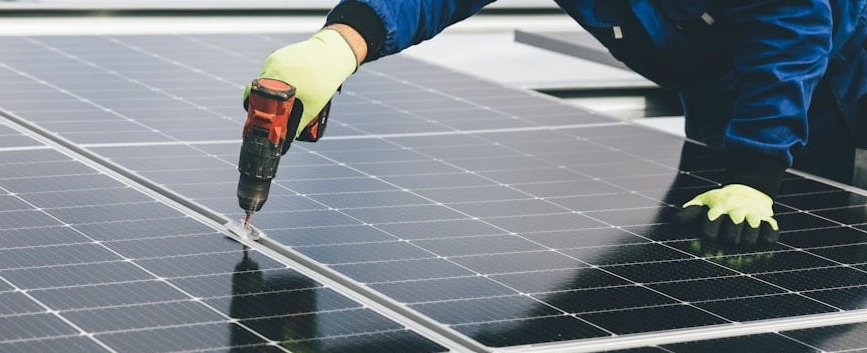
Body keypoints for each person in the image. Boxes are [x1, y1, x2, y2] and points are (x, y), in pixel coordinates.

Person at [246, 1, 867, 246]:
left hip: (837, 71)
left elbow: (793, 28)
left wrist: (757, 169)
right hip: (722, 90)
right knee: (716, 248)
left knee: (812, 235)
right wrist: (343, 41)